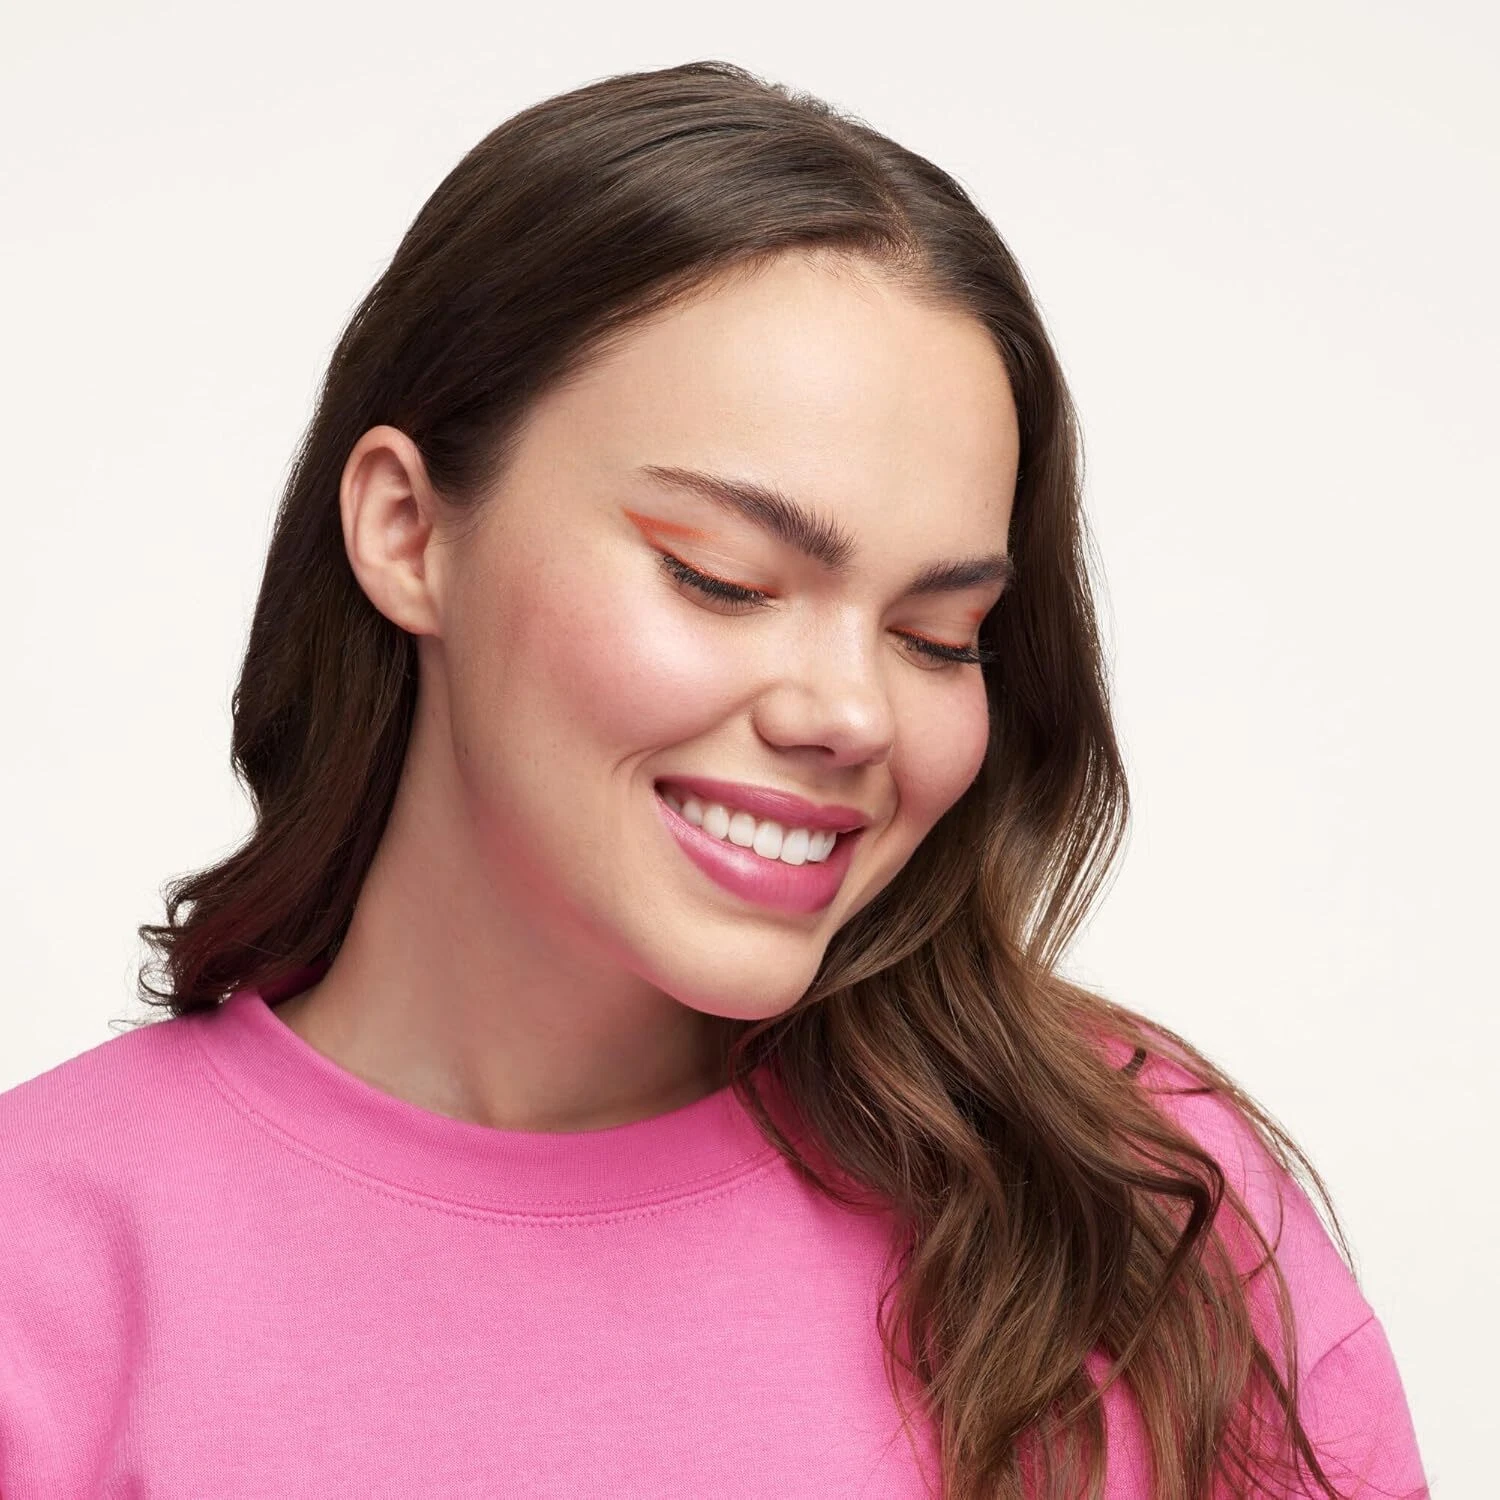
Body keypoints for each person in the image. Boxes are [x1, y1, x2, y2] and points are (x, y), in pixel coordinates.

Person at [0, 60, 1428, 1500]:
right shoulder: (43, 1271)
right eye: (723, 579)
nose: (852, 713)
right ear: (409, 531)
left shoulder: (1140, 1207)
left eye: (940, 637)